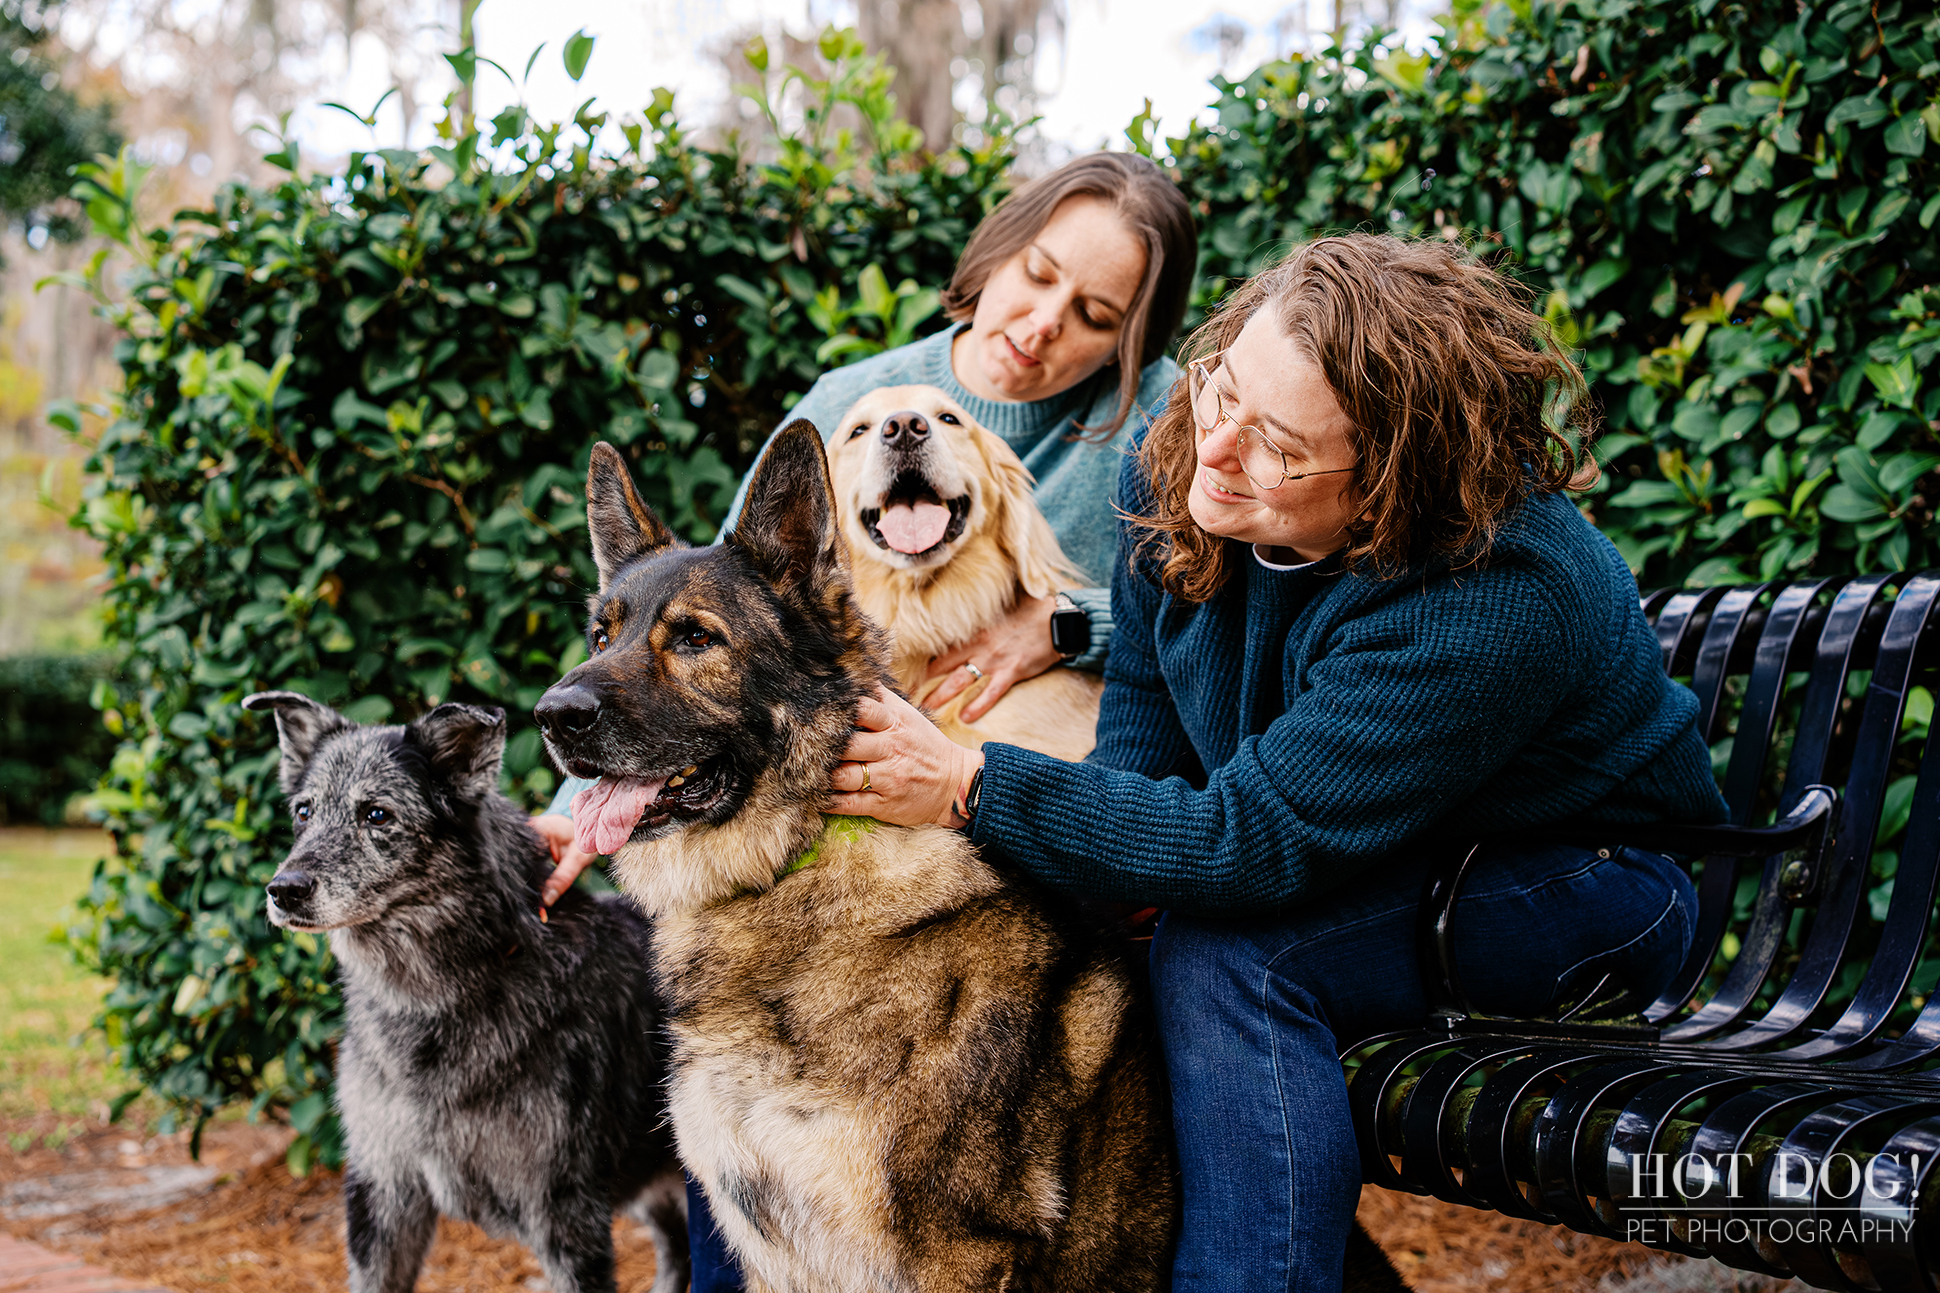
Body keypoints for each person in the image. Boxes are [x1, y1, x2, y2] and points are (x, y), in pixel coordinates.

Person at [824, 234, 1730, 1291]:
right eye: (1222, 390)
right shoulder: (1178, 466)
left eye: (1281, 449)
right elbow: (1144, 755)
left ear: (1393, 482)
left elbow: (1248, 843)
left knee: (1236, 962)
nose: (1214, 448)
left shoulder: (1494, 591)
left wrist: (968, 784)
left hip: (1587, 875)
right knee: (1106, 956)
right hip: (1380, 855)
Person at [532, 151, 1197, 1293]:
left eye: (1094, 314)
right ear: (989, 260)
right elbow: (712, 601)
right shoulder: (852, 401)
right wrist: (578, 817)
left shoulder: (1153, 421)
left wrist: (1065, 627)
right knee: (742, 1050)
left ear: (1132, 339)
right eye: (1033, 277)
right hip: (833, 811)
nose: (1041, 328)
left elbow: (1217, 609)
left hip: (1029, 838)